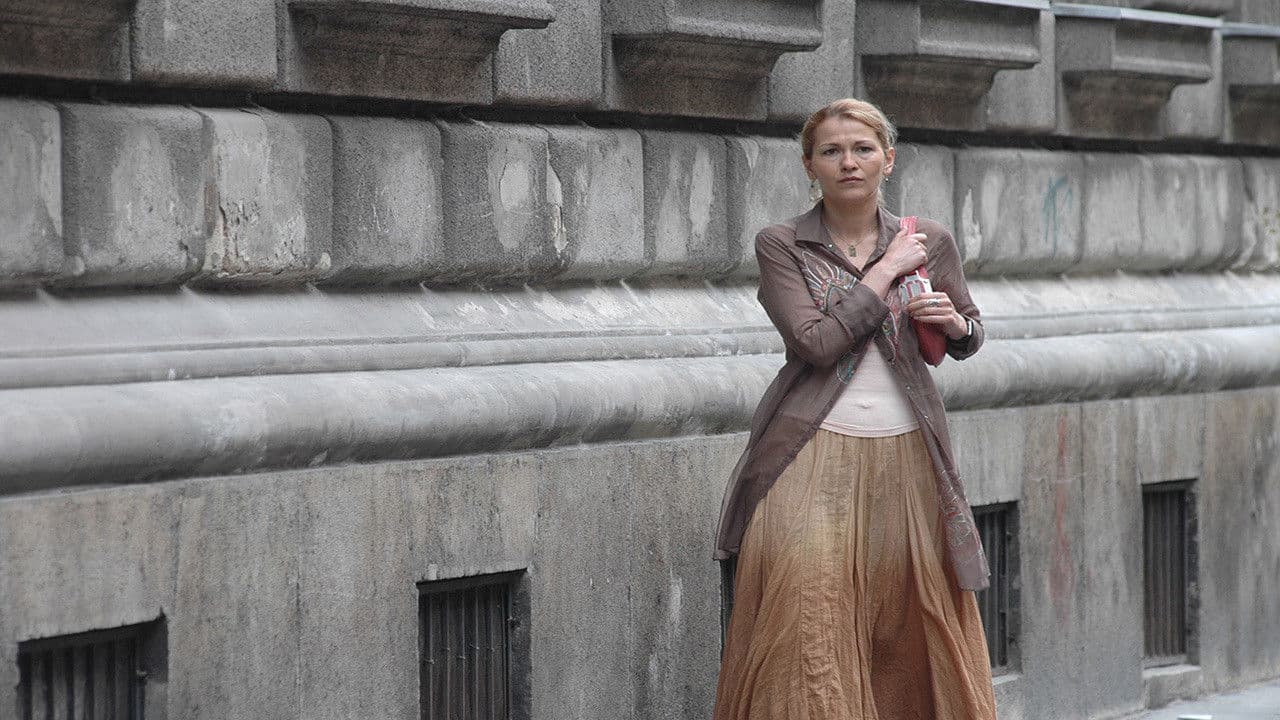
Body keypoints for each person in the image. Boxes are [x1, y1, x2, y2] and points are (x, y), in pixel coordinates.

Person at [712, 98, 997, 720]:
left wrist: (955, 324)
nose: (848, 162)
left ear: (887, 160)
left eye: (863, 149)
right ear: (809, 165)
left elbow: (970, 330)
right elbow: (814, 343)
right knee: (806, 618)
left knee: (908, 627)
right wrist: (886, 270)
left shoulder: (929, 240)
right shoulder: (782, 244)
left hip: (908, 456)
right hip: (807, 453)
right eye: (831, 151)